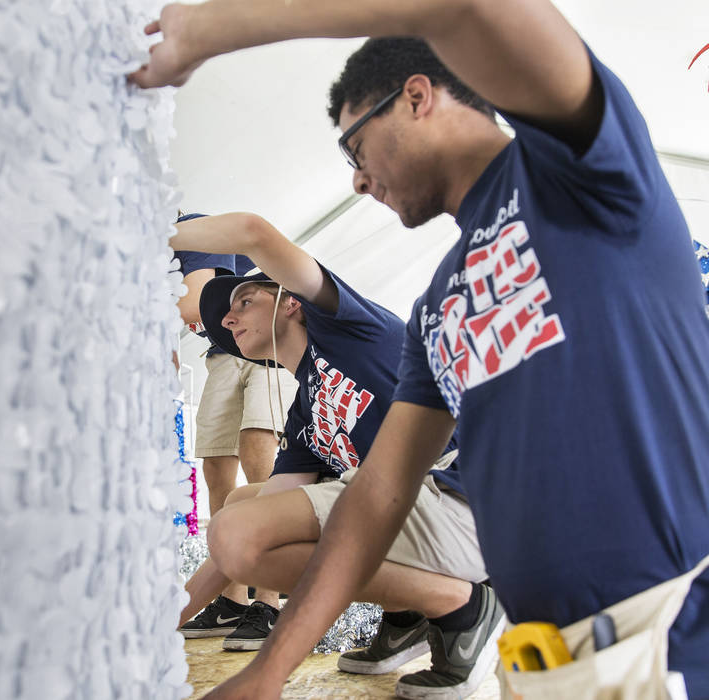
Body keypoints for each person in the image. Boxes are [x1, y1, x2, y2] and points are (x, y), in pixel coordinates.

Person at [132, 4, 709, 700]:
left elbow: (468, 8)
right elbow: (378, 494)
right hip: (552, 667)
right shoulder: (438, 309)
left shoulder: (580, 176)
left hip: (701, 642)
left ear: (417, 97)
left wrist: (201, 33)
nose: (357, 179)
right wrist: (268, 672)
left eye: (354, 148)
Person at [171, 213, 500, 696]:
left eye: (245, 299)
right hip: (413, 510)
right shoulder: (305, 414)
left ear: (288, 303)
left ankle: (461, 606)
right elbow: (239, 539)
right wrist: (162, 621)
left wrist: (150, 226)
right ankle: (406, 612)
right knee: (241, 512)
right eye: (225, 317)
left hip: (469, 497)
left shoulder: (345, 325)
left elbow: (253, 233)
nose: (228, 317)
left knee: (243, 529)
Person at [175, 215, 299, 647]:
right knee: (215, 463)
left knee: (259, 454)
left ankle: (269, 602)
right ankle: (233, 600)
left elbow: (192, 303)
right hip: (221, 353)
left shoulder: (187, 228)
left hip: (265, 347)